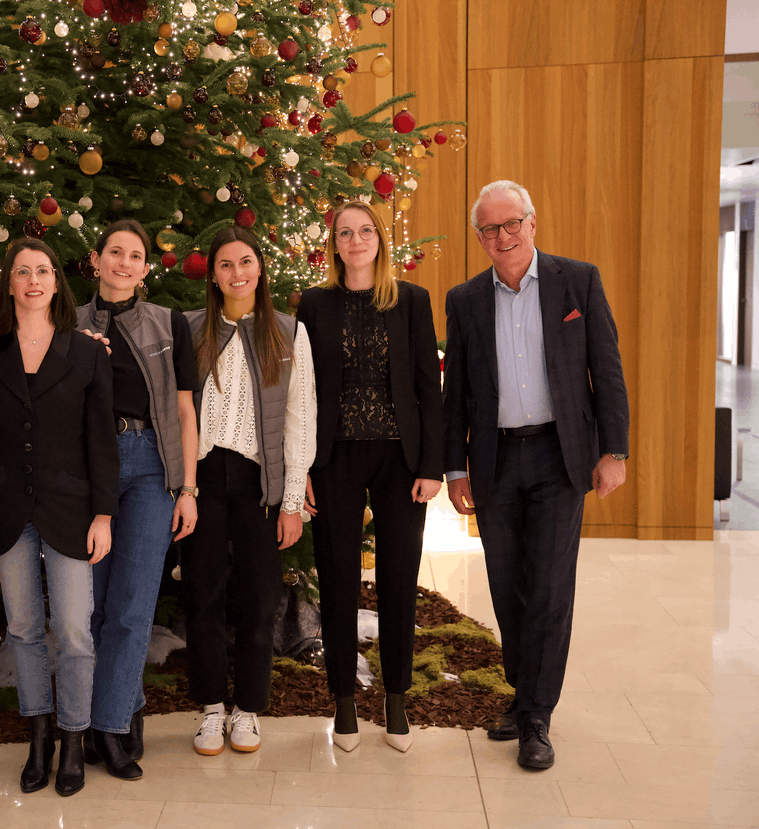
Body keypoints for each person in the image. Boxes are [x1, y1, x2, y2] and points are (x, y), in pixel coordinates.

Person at [442, 180, 629, 770]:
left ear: (532, 221)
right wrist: (455, 466)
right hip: (495, 459)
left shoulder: (579, 281)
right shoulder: (466, 298)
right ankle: (524, 695)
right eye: (489, 230)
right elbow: (458, 393)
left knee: (549, 588)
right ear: (479, 238)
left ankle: (536, 717)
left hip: (559, 455)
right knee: (507, 586)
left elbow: (608, 367)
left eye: (511, 224)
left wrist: (614, 451)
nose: (502, 237)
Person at [298, 200, 443, 754]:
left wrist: (432, 465)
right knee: (335, 576)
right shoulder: (314, 304)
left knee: (399, 577)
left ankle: (397, 698)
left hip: (400, 460)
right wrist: (303, 468)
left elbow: (429, 387)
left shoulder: (411, 301)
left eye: (364, 232)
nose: (355, 241)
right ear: (333, 244)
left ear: (379, 240)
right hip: (333, 458)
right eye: (344, 233)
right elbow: (303, 394)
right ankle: (344, 701)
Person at [0, 238, 119, 796]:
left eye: (43, 270)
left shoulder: (85, 352)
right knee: (22, 627)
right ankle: (38, 736)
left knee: (76, 631)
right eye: (21, 272)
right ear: (9, 283)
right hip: (8, 505)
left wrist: (103, 514)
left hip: (71, 509)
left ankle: (73, 739)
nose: (33, 280)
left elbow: (101, 441)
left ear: (56, 283)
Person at [182, 226, 316, 756]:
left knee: (259, 599)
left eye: (246, 262)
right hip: (204, 479)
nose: (237, 273)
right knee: (203, 594)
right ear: (212, 275)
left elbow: (300, 418)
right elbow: (178, 413)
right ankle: (212, 708)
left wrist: (290, 502)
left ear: (259, 268)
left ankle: (249, 709)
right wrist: (183, 487)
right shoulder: (191, 329)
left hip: (260, 482)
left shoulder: (287, 333)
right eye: (225, 265)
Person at [74, 220, 199, 779]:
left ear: (146, 269)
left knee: (131, 608)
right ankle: (105, 714)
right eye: (115, 253)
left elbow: (184, 412)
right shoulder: (66, 323)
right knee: (89, 610)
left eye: (136, 256)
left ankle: (110, 727)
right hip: (85, 474)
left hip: (150, 466)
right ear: (96, 260)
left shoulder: (169, 324)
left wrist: (188, 488)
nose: (124, 263)